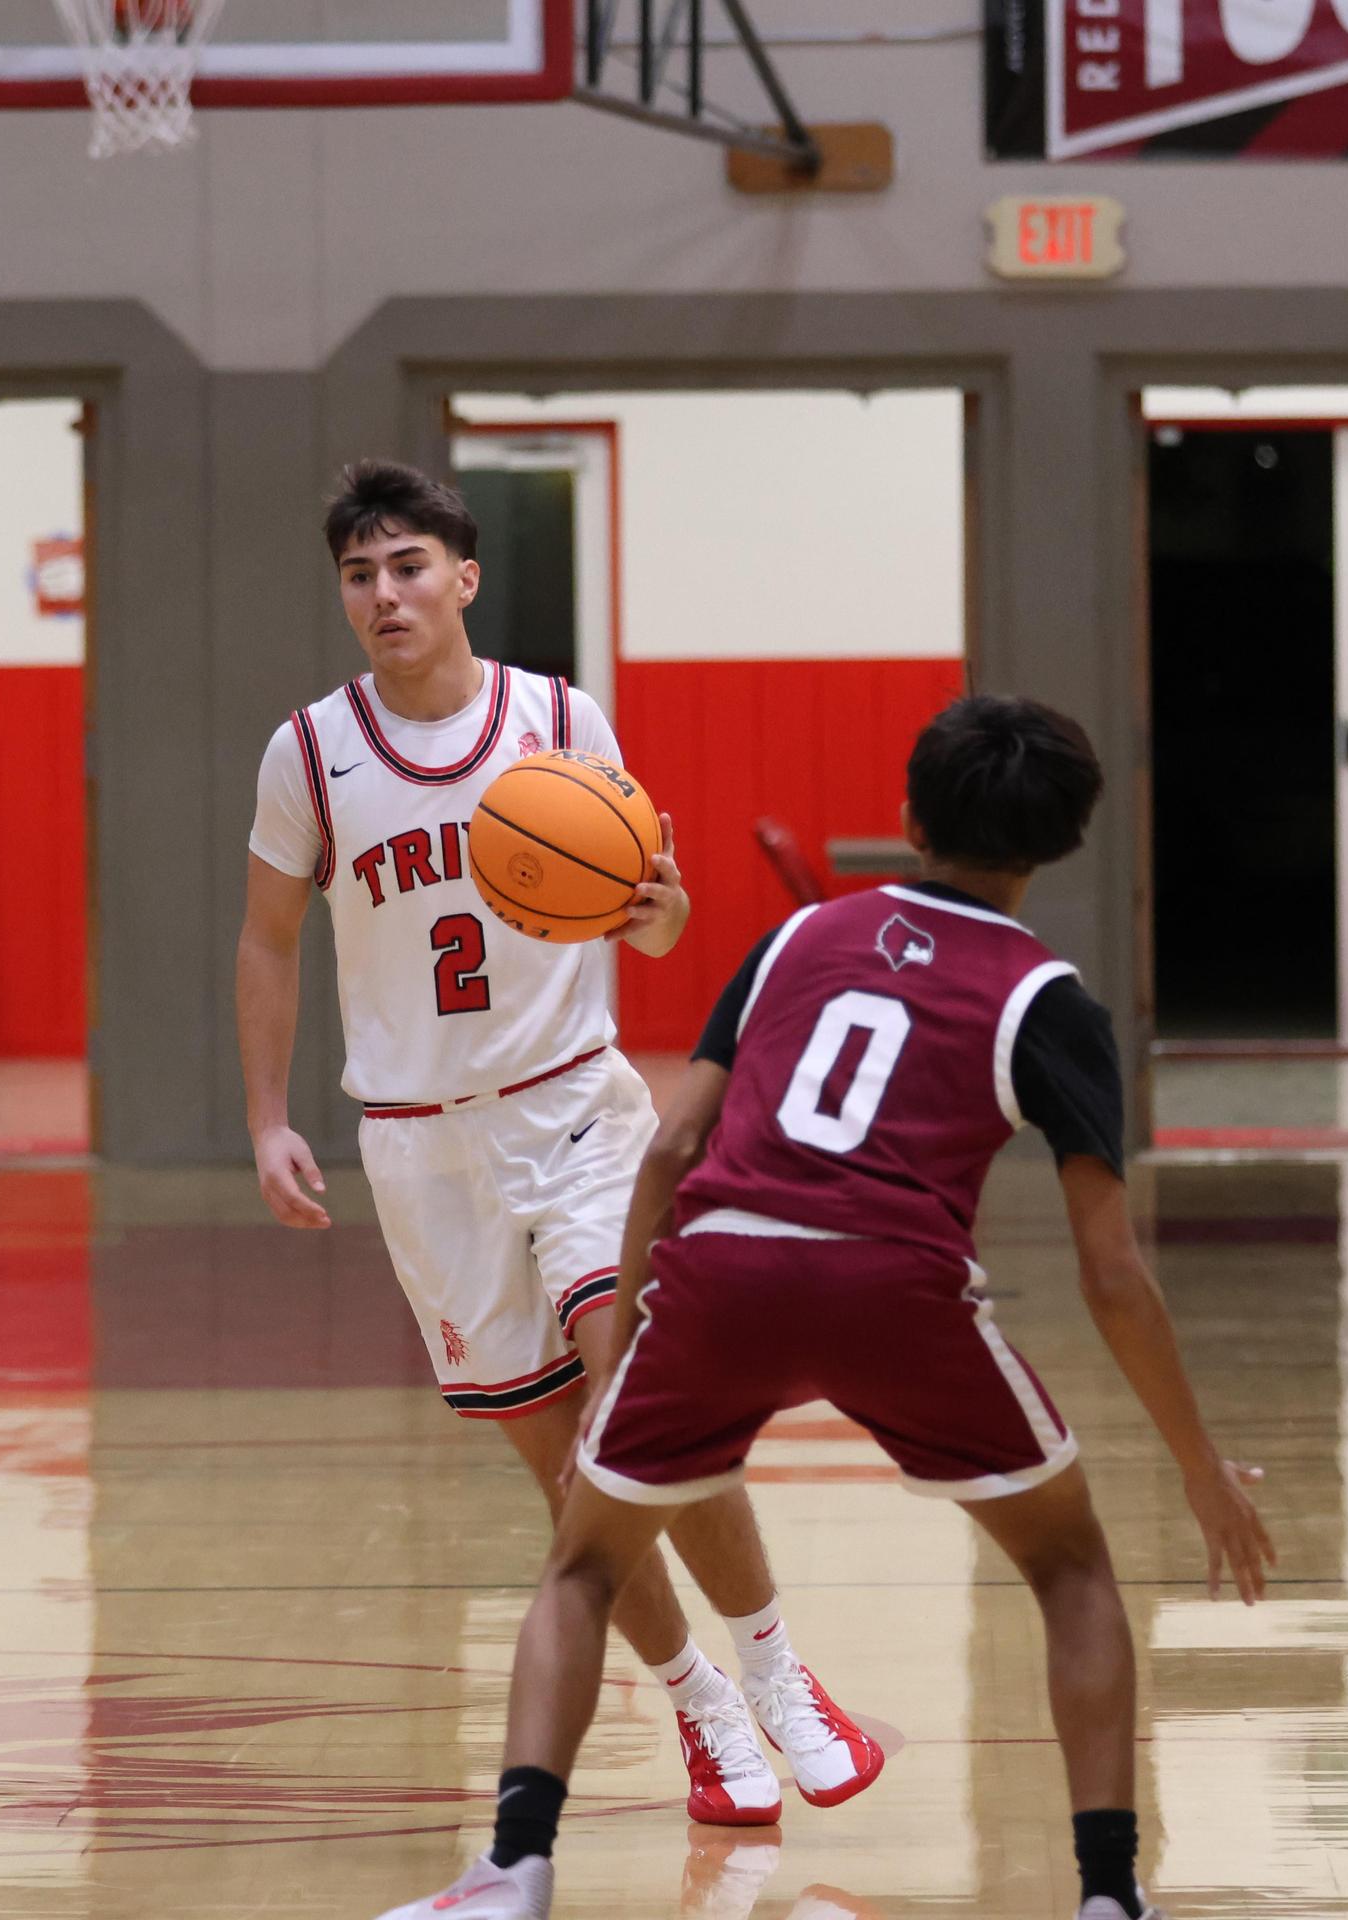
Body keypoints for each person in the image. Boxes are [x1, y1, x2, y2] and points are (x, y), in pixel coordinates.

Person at [375, 694, 1277, 1920]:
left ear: (907, 820)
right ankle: (1110, 1895)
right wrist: (1200, 1465)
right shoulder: (1049, 999)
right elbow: (1112, 1275)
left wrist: (639, 1317)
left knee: (581, 1566)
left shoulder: (803, 938)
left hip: (724, 1270)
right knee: (1072, 1573)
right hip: (896, 1285)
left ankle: (515, 1869)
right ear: (1064, 843)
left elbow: (674, 1142)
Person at [237, 461, 883, 1836]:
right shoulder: (308, 752)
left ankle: (779, 1675)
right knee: (562, 1464)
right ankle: (701, 1707)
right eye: (359, 576)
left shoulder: (555, 719)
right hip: (420, 1146)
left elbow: (650, 921)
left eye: (408, 567)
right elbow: (267, 938)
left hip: (576, 1110)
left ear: (463, 578)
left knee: (644, 1400)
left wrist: (657, 907)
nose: (383, 596)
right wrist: (266, 1115)